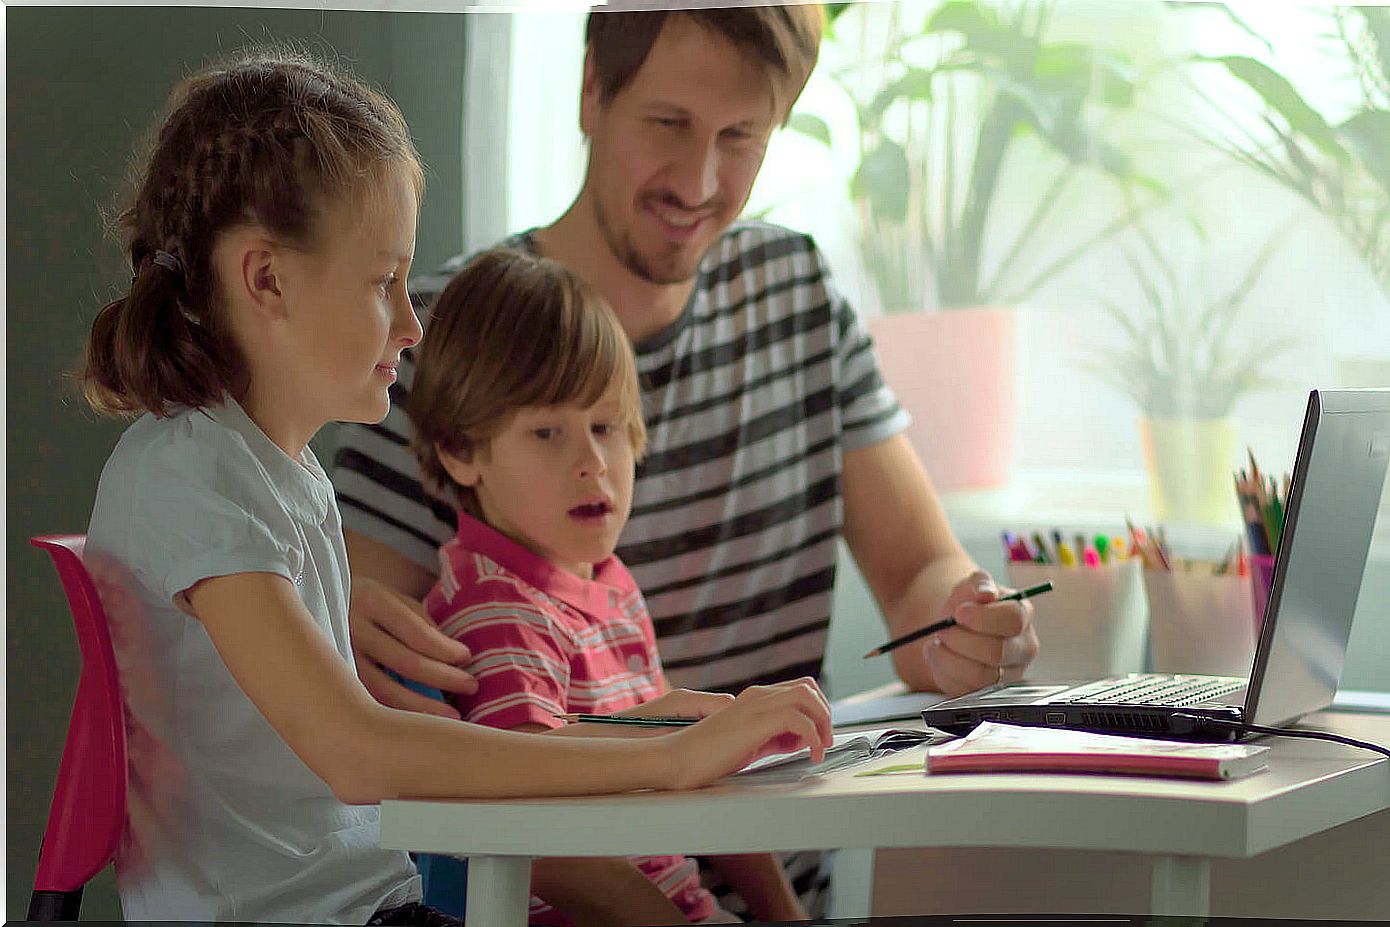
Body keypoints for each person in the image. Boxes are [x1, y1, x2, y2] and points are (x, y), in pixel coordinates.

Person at [77, 51, 831, 925]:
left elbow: (394, 748)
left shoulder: (273, 471)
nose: (411, 322)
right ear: (267, 278)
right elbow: (359, 752)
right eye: (382, 282)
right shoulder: (192, 476)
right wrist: (669, 760)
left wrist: (655, 727)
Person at [331, 4, 1040, 910]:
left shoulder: (797, 294)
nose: (700, 179)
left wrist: (964, 620)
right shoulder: (444, 333)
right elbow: (378, 692)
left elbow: (917, 576)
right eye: (668, 125)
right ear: (592, 93)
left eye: (741, 136)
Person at [406, 248, 806, 926]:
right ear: (461, 451)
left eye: (604, 426)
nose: (592, 462)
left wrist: (787, 913)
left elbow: (699, 768)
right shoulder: (495, 609)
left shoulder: (610, 587)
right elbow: (538, 841)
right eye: (547, 431)